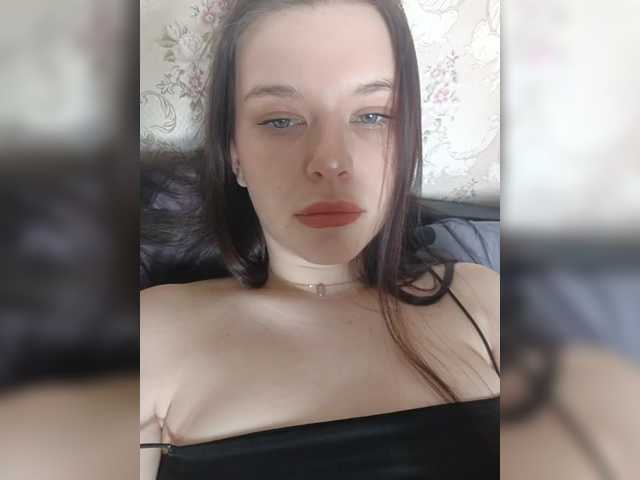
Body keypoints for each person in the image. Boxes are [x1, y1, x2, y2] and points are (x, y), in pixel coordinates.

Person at [140, 1, 499, 478]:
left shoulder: (484, 304)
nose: (330, 162)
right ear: (234, 154)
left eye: (372, 116)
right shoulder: (152, 334)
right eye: (280, 120)